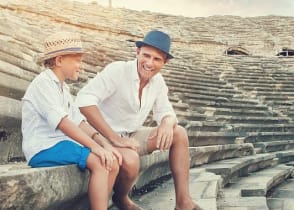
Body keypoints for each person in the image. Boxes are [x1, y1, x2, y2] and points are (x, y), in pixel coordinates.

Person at [76, 30, 203, 210]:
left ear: (165, 62)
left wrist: (167, 123)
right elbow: (84, 100)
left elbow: (166, 111)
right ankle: (121, 198)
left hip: (130, 135)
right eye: (146, 55)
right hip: (100, 135)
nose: (149, 63)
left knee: (178, 133)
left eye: (157, 59)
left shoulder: (158, 82)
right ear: (137, 52)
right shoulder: (118, 70)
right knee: (131, 160)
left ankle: (184, 203)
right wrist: (114, 138)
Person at [21, 31, 122, 210]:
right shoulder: (42, 84)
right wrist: (95, 148)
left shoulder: (63, 88)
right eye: (77, 60)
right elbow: (64, 123)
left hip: (60, 145)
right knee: (100, 162)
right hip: (44, 148)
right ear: (59, 60)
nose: (81, 66)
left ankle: (99, 205)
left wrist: (104, 144)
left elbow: (80, 123)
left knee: (111, 161)